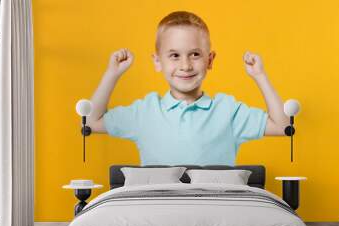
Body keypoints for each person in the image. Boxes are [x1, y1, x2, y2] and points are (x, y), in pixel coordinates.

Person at [86, 11, 289, 166]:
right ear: (158, 62)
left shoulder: (228, 110)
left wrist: (260, 76)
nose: (185, 66)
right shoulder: (145, 111)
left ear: (209, 60)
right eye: (174, 55)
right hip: (160, 215)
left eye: (195, 54)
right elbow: (91, 122)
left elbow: (283, 126)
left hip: (214, 215)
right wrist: (112, 74)